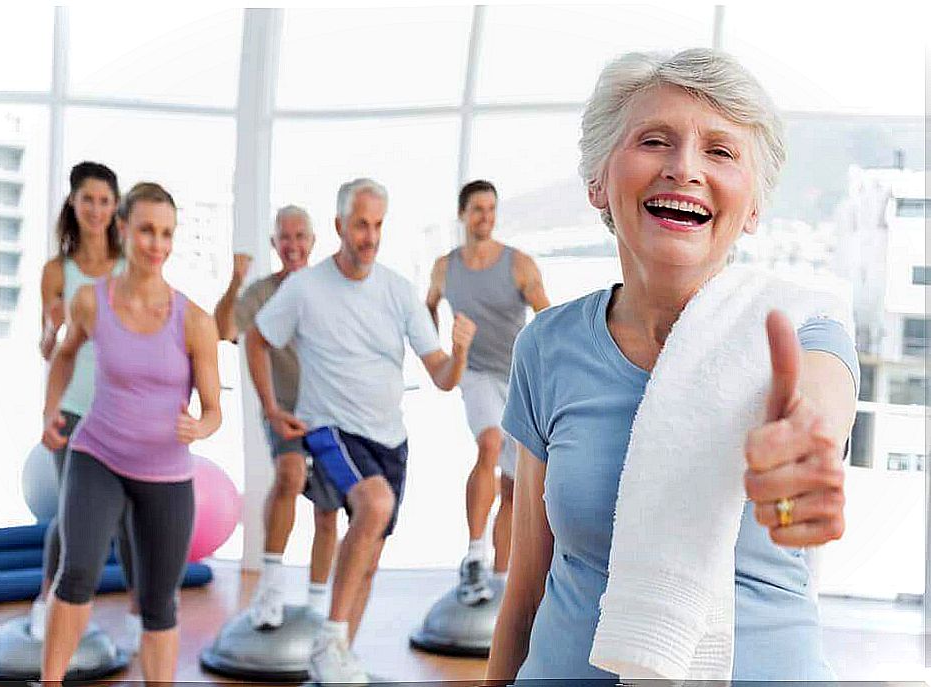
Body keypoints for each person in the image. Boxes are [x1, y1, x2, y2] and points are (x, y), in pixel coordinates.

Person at [487, 49, 859, 682]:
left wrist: (805, 450)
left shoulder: (800, 331)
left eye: (720, 152)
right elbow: (527, 590)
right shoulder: (547, 346)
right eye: (655, 140)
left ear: (754, 205)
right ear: (599, 182)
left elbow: (820, 400)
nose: (684, 168)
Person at [245, 178, 475, 685]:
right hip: (329, 428)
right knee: (373, 505)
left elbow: (440, 376)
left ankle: (339, 655)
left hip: (389, 437)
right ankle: (328, 640)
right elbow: (257, 339)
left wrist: (458, 355)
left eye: (376, 225)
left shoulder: (396, 290)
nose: (369, 236)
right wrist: (271, 407)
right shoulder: (305, 288)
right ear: (338, 227)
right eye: (359, 225)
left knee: (369, 553)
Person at [40, 182, 222, 682]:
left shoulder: (195, 321)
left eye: (166, 233)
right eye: (146, 230)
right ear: (124, 230)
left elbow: (214, 411)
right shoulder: (91, 301)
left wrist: (199, 426)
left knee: (159, 602)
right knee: (78, 573)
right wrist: (50, 411)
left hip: (166, 475)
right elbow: (64, 356)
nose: (156, 244)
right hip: (97, 456)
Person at [213, 205, 339, 627]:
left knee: (327, 507)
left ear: (314, 241)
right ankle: (270, 586)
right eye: (285, 238)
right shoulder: (262, 293)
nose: (294, 245)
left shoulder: (331, 288)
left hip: (329, 412)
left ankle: (319, 601)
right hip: (281, 408)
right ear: (275, 244)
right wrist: (235, 278)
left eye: (301, 236)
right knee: (289, 475)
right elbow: (224, 329)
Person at [425, 180, 549, 605]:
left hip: (516, 378)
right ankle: (474, 555)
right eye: (478, 209)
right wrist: (443, 354)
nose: (486, 217)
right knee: (489, 443)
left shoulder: (519, 264)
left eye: (492, 209)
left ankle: (498, 579)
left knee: (513, 486)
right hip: (475, 374)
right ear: (462, 214)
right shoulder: (445, 267)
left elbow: (546, 318)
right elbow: (427, 309)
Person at [35, 161, 139, 651]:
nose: (96, 209)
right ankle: (46, 602)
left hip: (123, 411)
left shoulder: (131, 268)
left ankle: (142, 611)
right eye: (87, 199)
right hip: (74, 409)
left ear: (115, 207)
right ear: (73, 205)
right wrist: (50, 333)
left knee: (128, 514)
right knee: (72, 511)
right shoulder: (57, 272)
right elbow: (48, 343)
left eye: (105, 200)